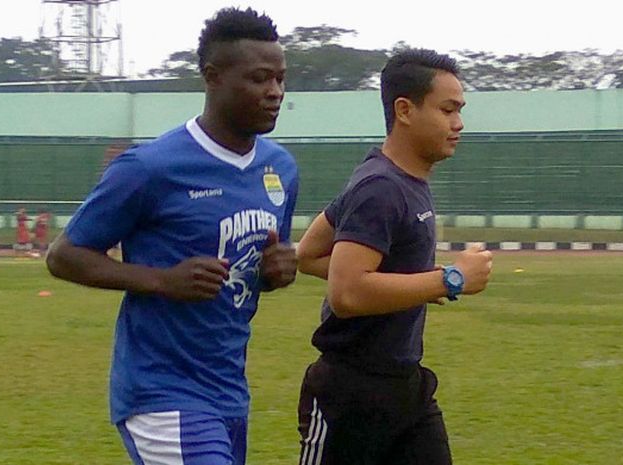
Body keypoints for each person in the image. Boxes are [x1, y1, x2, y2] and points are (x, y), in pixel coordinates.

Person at [46, 7, 297, 465]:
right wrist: (162, 280)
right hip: (160, 390)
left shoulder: (280, 169)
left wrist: (276, 271)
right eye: (260, 79)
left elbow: (255, 264)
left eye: (281, 79)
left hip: (228, 390)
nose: (275, 92)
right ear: (213, 77)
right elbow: (64, 256)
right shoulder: (150, 167)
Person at [295, 49, 493, 465]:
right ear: (404, 110)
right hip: (350, 396)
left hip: (406, 389)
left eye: (459, 110)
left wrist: (411, 284)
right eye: (447, 109)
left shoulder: (399, 179)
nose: (458, 124)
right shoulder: (380, 188)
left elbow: (310, 253)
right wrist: (450, 280)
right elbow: (347, 293)